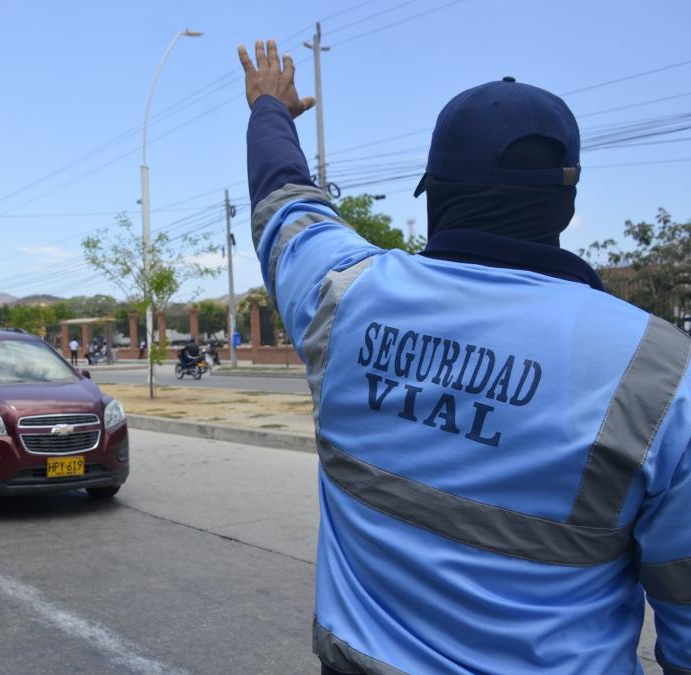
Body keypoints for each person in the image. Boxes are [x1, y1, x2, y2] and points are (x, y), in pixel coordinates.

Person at [238, 38, 691, 673]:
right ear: (567, 203)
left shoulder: (345, 300)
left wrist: (268, 109)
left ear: (436, 195)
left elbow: (283, 204)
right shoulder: (665, 375)